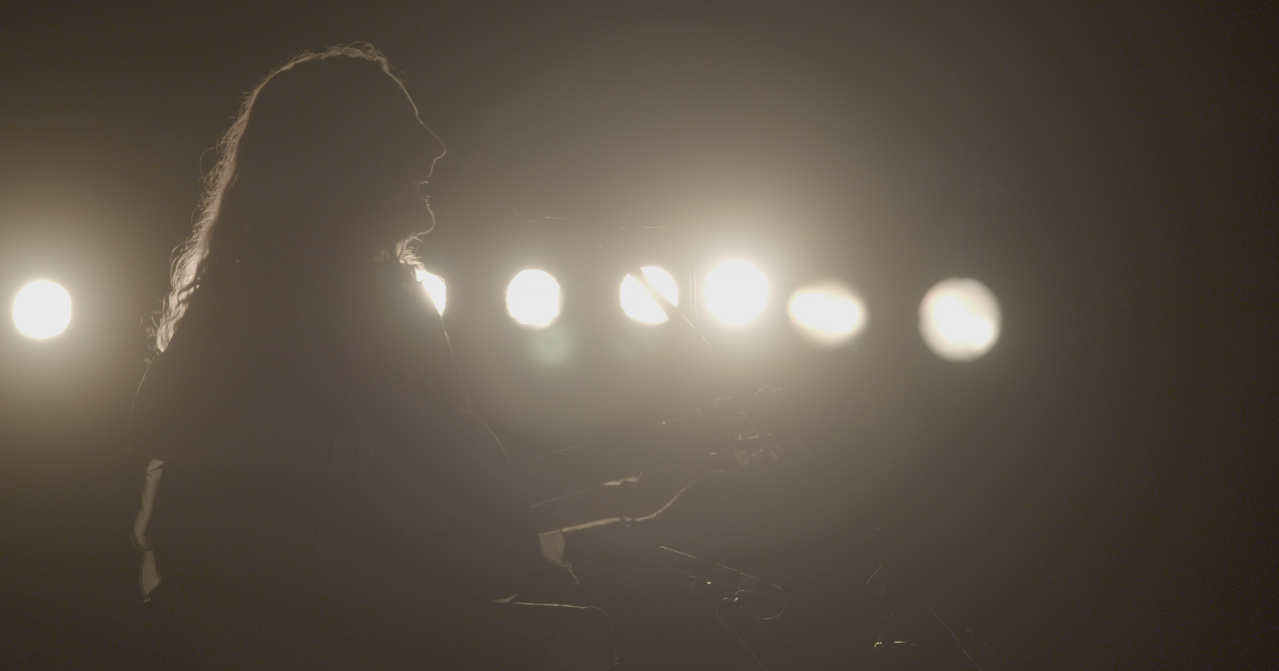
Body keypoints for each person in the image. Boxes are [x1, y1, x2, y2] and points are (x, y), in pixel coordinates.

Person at [129, 45, 617, 670]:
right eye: (404, 128)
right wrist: (355, 463)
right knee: (585, 639)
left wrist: (615, 499)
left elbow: (460, 467)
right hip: (312, 625)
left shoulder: (392, 295)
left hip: (386, 605)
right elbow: (156, 427)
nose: (435, 146)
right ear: (343, 157)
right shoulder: (261, 295)